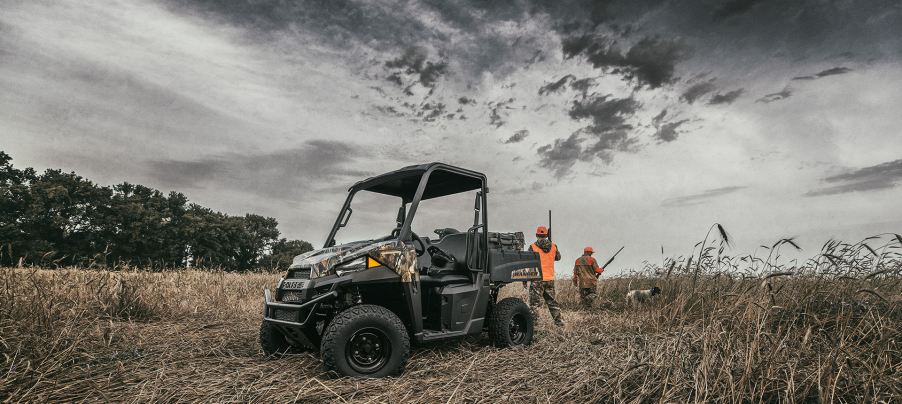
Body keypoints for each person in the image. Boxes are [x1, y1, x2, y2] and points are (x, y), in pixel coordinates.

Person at [528, 226, 564, 326]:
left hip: (537, 279)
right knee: (552, 302)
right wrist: (552, 246)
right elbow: (558, 258)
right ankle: (559, 323)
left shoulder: (532, 247)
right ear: (547, 235)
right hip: (550, 279)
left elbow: (528, 262)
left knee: (534, 304)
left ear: (536, 235)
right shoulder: (554, 246)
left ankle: (534, 326)